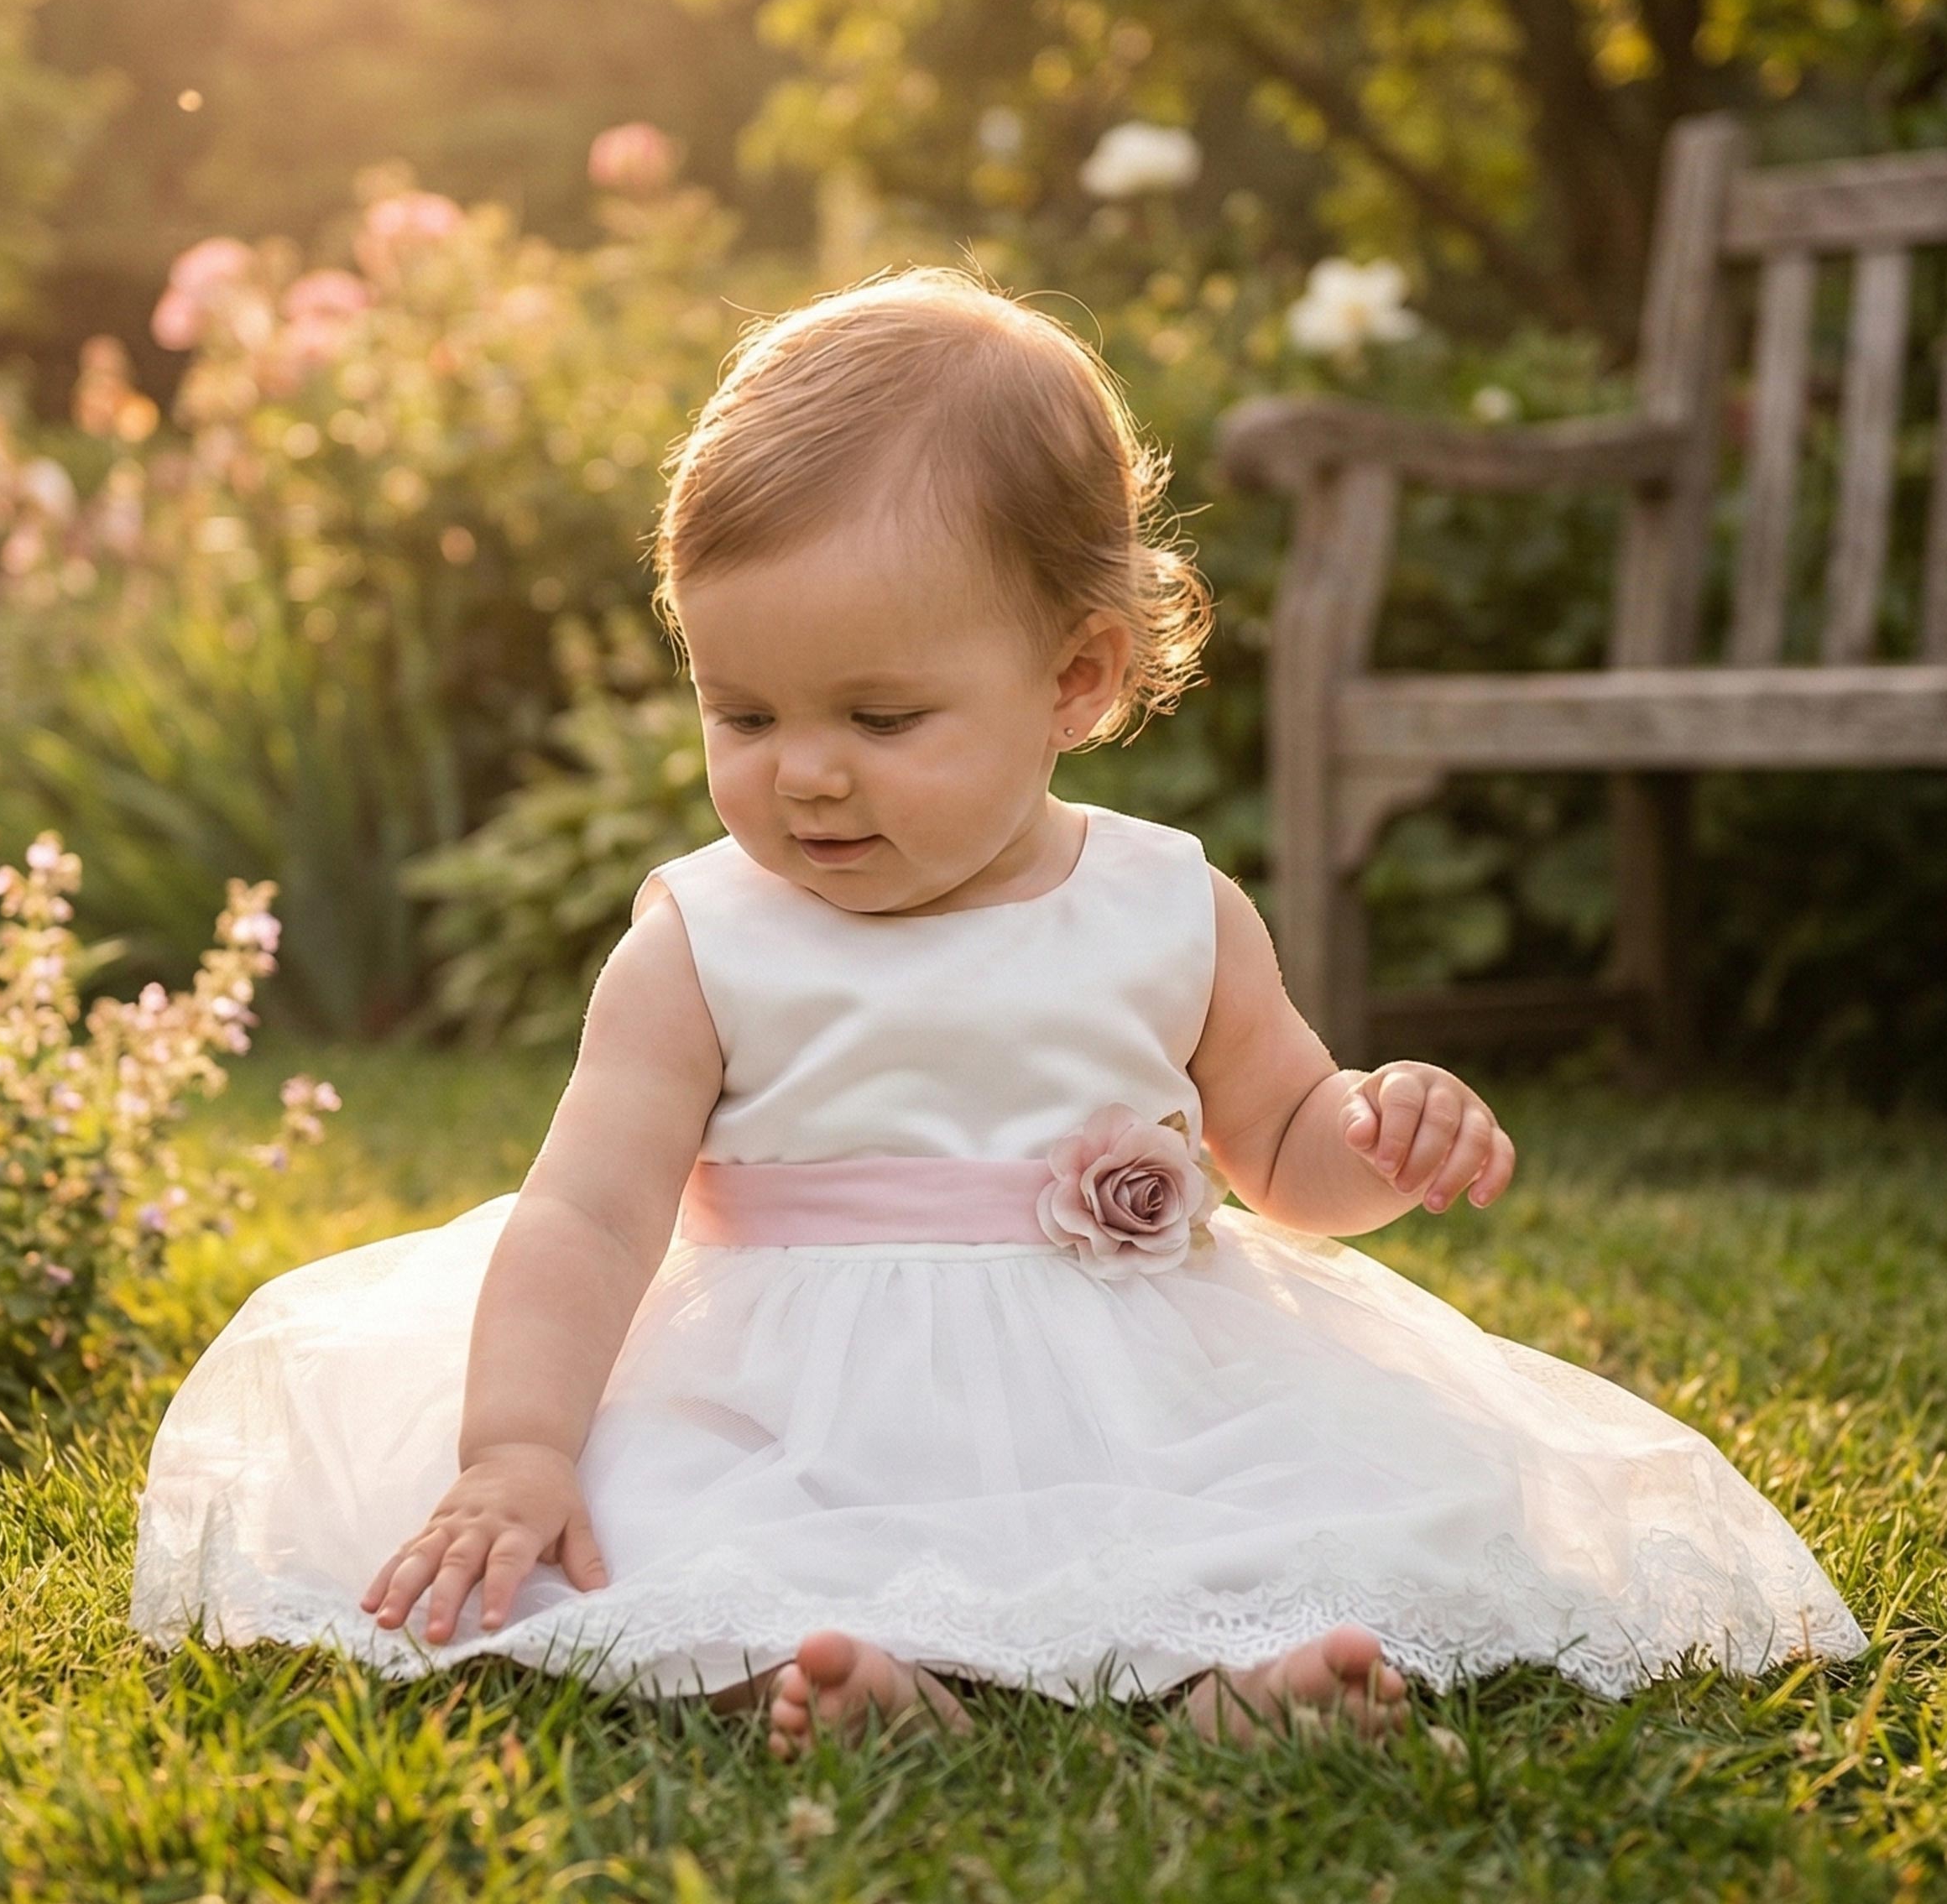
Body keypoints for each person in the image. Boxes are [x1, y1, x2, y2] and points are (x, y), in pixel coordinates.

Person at [130, 265, 1866, 1756]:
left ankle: (1236, 1678)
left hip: (1121, 1381)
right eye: (742, 713)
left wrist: (1375, 1129)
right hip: (780, 1388)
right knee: (664, 1518)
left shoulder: (1168, 905)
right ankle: (843, 1674)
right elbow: (587, 1210)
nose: (803, 774)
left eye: (881, 717)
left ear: (1075, 675)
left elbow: (1280, 1147)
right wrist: (514, 1446)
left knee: (1308, 1502)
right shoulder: (703, 937)